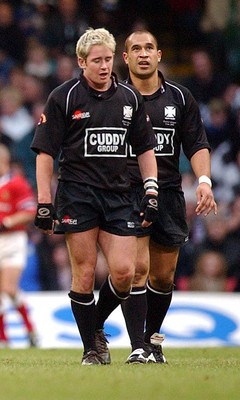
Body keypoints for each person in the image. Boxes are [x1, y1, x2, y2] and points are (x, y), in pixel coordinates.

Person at [31, 27, 158, 365]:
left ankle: (95, 323)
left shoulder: (130, 99)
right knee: (84, 274)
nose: (104, 66)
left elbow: (145, 148)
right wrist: (44, 201)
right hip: (78, 195)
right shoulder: (64, 97)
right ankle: (92, 349)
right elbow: (45, 152)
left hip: (119, 195)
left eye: (108, 59)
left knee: (124, 272)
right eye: (97, 60)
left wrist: (150, 187)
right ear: (81, 61)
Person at [96, 30, 218, 364]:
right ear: (126, 58)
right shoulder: (112, 97)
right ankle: (138, 347)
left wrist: (204, 181)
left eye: (149, 47)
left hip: (168, 193)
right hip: (127, 194)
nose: (143, 54)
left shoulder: (180, 98)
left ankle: (152, 341)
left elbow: (196, 143)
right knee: (134, 270)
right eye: (136, 49)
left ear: (159, 55)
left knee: (163, 277)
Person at [0, 144, 37, 347]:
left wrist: (7, 222)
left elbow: (29, 211)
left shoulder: (16, 184)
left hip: (13, 239)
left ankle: (30, 327)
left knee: (8, 288)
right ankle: (4, 339)